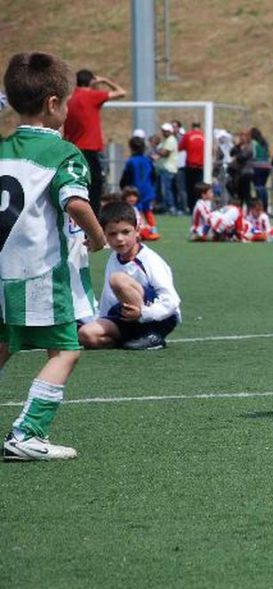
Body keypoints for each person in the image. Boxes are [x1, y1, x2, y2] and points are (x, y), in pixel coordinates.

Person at [0, 52, 106, 461]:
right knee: (65, 350)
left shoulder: (5, 148)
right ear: (51, 104)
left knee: (3, 345)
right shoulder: (63, 154)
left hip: (2, 271)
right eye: (67, 103)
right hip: (38, 272)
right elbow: (76, 203)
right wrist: (97, 238)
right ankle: (28, 432)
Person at [78, 201, 181, 351]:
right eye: (112, 234)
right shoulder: (114, 257)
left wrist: (143, 313)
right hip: (126, 316)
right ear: (104, 234)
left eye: (126, 232)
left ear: (137, 230)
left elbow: (172, 300)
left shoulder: (149, 259)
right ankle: (130, 339)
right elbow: (108, 296)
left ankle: (152, 335)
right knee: (86, 334)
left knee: (117, 280)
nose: (119, 239)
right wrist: (101, 320)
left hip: (156, 317)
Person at [63, 68, 126, 213]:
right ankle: (93, 219)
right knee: (96, 186)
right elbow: (121, 92)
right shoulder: (91, 96)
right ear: (91, 81)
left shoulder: (70, 98)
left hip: (73, 149)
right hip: (90, 149)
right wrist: (104, 81)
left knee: (78, 185)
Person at [119, 135, 157, 233]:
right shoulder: (148, 160)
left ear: (131, 148)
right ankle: (153, 229)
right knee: (147, 210)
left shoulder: (131, 161)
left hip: (135, 191)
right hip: (148, 190)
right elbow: (154, 175)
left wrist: (123, 187)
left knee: (137, 211)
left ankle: (139, 230)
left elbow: (126, 177)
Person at [152, 122, 180, 214]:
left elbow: (165, 153)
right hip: (163, 169)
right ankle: (163, 206)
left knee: (167, 190)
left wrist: (156, 148)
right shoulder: (166, 140)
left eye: (165, 131)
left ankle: (170, 207)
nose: (163, 132)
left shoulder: (171, 140)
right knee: (161, 189)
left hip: (168, 169)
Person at [180, 122, 205, 210]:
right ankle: (200, 206)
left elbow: (180, 147)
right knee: (199, 187)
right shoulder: (204, 136)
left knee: (190, 188)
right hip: (201, 166)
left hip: (190, 165)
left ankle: (191, 207)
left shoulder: (187, 135)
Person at [250, 127, 271, 210]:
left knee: (258, 186)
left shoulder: (253, 143)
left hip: (257, 166)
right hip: (266, 166)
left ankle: (260, 205)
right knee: (262, 187)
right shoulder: (264, 142)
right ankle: (264, 205)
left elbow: (253, 155)